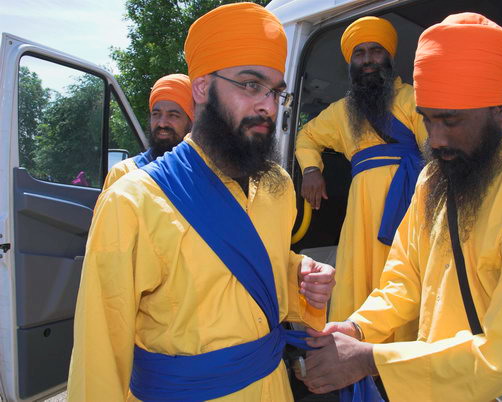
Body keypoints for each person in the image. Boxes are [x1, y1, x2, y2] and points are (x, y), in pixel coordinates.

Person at [297, 13, 502, 401]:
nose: (434, 140)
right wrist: (357, 328)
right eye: (427, 119)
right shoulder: (435, 176)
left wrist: (369, 359)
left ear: (500, 109)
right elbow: (403, 281)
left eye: (449, 120)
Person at [67, 3, 335, 401]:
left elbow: (253, 269)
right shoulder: (133, 200)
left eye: (276, 91)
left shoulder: (278, 185)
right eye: (250, 84)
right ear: (202, 88)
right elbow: (99, 352)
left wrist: (300, 273)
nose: (267, 105)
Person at [295, 16, 427, 335]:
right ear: (351, 63)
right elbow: (306, 136)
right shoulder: (341, 111)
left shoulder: (414, 98)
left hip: (409, 205)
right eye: (360, 53)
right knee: (358, 282)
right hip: (361, 211)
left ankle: (397, 364)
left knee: (404, 280)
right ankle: (356, 357)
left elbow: (433, 152)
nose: (367, 59)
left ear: (389, 58)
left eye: (375, 51)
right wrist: (311, 170)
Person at [102, 73, 194, 189]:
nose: (162, 123)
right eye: (156, 114)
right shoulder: (124, 173)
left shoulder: (206, 175)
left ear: (191, 121)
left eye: (173, 115)